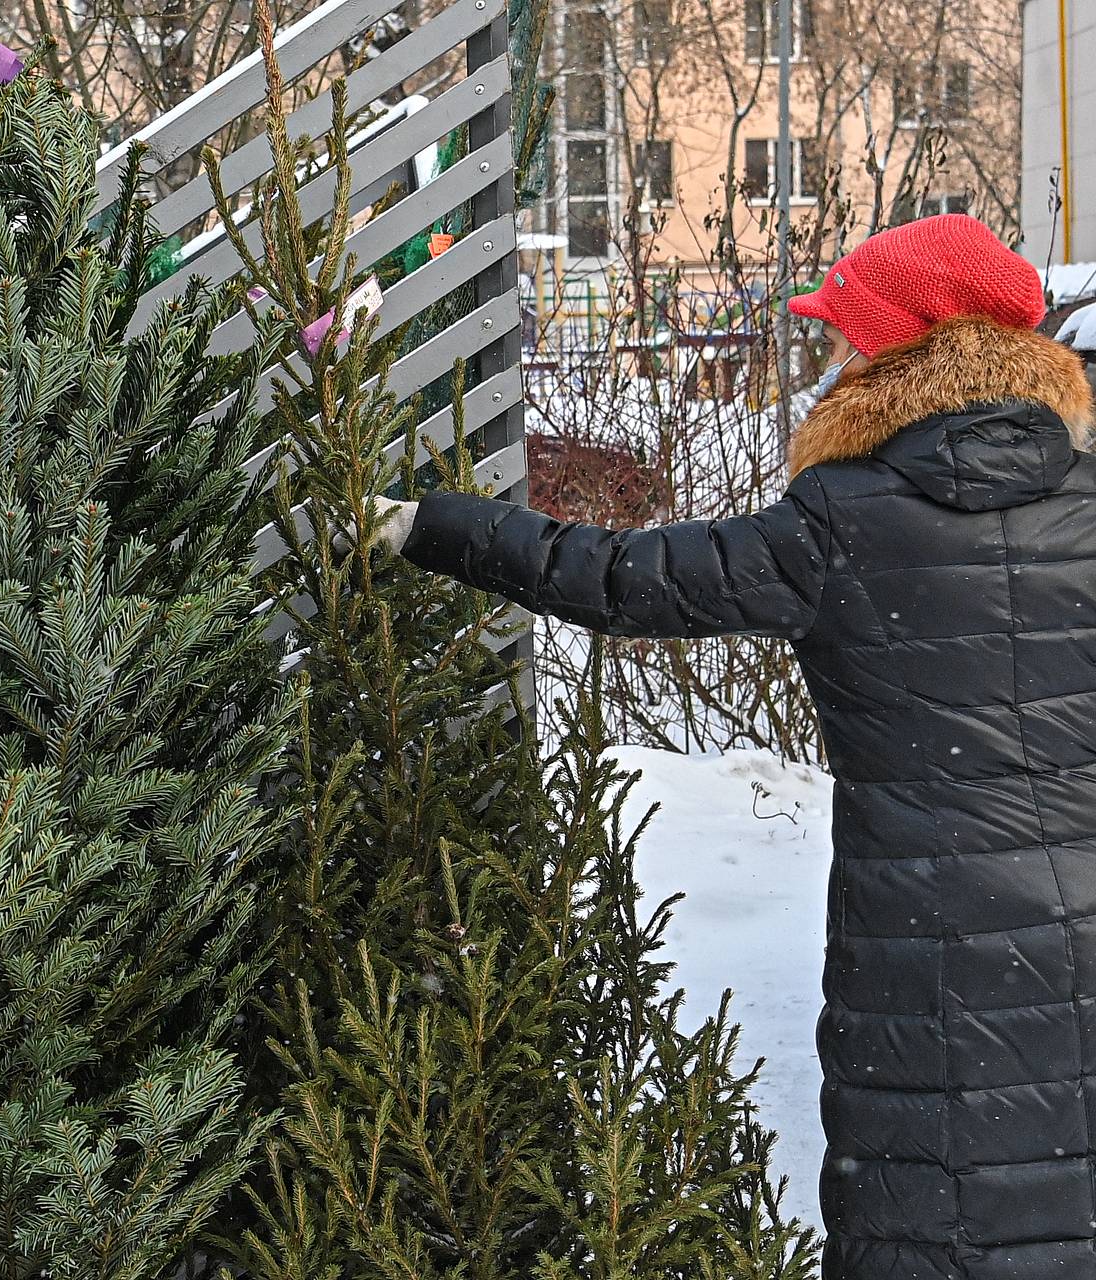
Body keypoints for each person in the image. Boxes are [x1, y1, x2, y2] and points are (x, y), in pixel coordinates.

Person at [353, 213, 1096, 1279]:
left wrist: (434, 525)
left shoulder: (844, 517)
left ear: (896, 349)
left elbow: (622, 580)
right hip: (1073, 923)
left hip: (927, 944)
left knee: (932, 1207)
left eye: (846, 333)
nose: (830, 355)